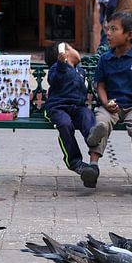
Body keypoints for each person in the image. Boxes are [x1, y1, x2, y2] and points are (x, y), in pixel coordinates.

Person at [85, 12, 132, 194]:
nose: (108, 33)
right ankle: (93, 166)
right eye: (107, 29)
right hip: (112, 105)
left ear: (129, 35)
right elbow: (100, 85)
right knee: (101, 122)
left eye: (114, 29)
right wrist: (106, 103)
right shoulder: (105, 58)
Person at [44, 43, 98, 187]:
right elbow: (54, 79)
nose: (76, 50)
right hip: (58, 107)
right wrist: (61, 65)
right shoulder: (57, 68)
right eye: (71, 48)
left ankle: (91, 137)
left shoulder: (79, 71)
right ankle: (74, 161)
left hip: (77, 107)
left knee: (87, 115)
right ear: (65, 54)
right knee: (65, 124)